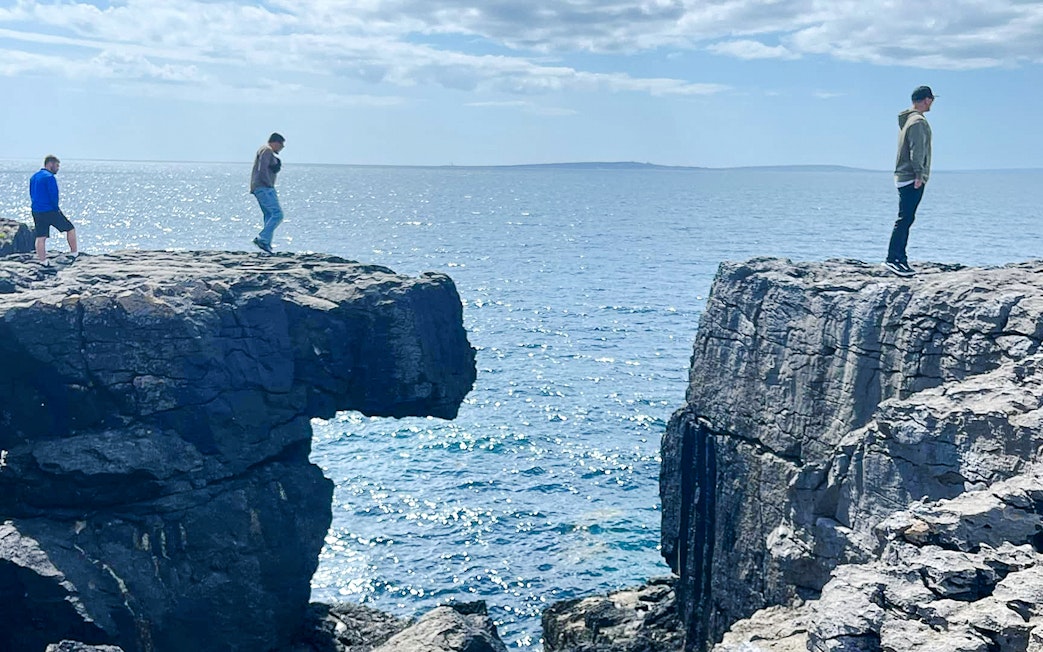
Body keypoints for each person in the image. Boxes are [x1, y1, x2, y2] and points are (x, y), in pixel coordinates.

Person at [885, 85, 936, 277]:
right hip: (910, 176)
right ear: (927, 99)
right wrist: (919, 175)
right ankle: (894, 259)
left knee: (906, 218)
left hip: (903, 175)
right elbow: (917, 151)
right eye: (932, 100)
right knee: (905, 219)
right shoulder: (918, 122)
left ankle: (900, 258)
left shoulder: (907, 120)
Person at [29, 155, 78, 266]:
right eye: (57, 165)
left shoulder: (34, 177)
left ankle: (43, 261)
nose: (58, 168)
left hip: (36, 210)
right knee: (70, 229)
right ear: (50, 164)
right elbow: (53, 195)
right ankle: (74, 253)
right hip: (50, 210)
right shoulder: (49, 177)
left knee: (41, 236)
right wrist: (57, 209)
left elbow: (31, 193)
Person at [250, 132, 286, 254]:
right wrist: (268, 184)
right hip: (264, 187)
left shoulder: (266, 151)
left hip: (260, 187)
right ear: (275, 142)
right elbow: (262, 169)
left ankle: (266, 244)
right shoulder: (267, 150)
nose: (282, 147)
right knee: (277, 214)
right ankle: (262, 238)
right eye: (281, 144)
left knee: (269, 215)